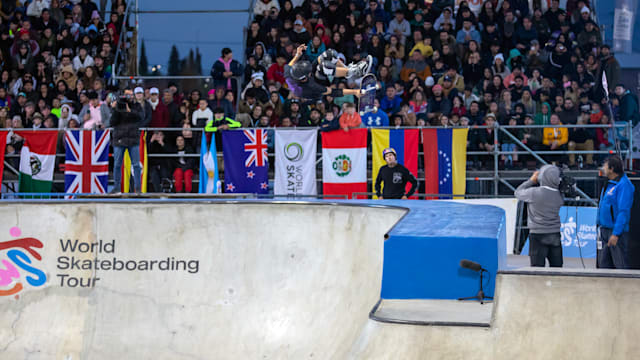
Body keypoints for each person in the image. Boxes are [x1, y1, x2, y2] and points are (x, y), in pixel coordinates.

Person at [514, 165, 565, 267]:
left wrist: (531, 180)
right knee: (557, 268)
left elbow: (517, 192)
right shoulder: (560, 195)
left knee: (537, 269)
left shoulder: (534, 193)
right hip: (554, 233)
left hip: (537, 234)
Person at [285, 44, 368, 101]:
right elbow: (332, 92)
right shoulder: (309, 88)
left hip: (310, 78)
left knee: (329, 54)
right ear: (306, 77)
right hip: (319, 87)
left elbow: (290, 64)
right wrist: (354, 92)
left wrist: (297, 54)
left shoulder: (289, 72)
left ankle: (348, 71)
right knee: (323, 67)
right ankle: (352, 72)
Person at [597, 156, 635, 269]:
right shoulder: (609, 183)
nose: (603, 168)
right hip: (604, 230)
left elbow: (623, 211)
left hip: (616, 232)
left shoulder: (624, 185)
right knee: (603, 265)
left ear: (612, 168)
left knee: (620, 265)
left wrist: (616, 233)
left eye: (605, 166)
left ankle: (625, 286)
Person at [110, 89, 143, 193]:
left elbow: (141, 118)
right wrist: (116, 109)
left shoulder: (137, 106)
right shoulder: (118, 106)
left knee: (136, 165)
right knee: (117, 164)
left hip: (133, 138)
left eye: (130, 95)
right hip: (120, 138)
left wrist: (130, 111)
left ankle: (138, 188)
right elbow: (112, 122)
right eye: (127, 95)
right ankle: (116, 188)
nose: (129, 97)